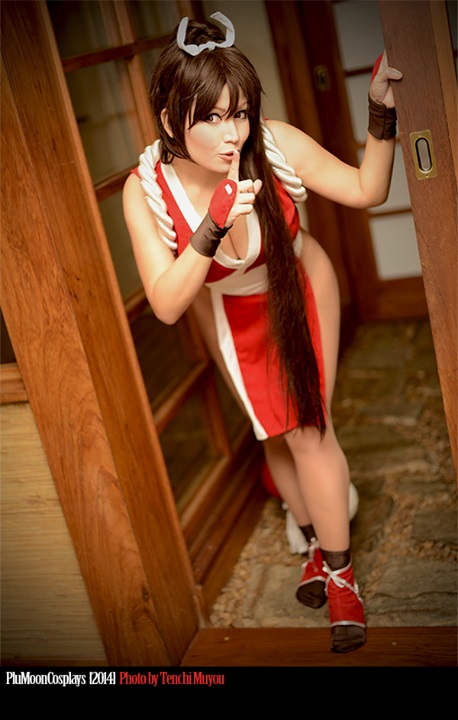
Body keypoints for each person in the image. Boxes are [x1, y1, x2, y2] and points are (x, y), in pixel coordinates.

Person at [123, 12, 402, 654]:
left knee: (309, 428)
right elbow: (166, 305)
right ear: (170, 120)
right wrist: (211, 228)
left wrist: (380, 110)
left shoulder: (271, 146)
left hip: (300, 287)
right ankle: (314, 541)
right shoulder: (149, 191)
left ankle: (341, 577)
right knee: (271, 428)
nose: (233, 134)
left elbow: (368, 189)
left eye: (240, 113)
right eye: (212, 118)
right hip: (228, 312)